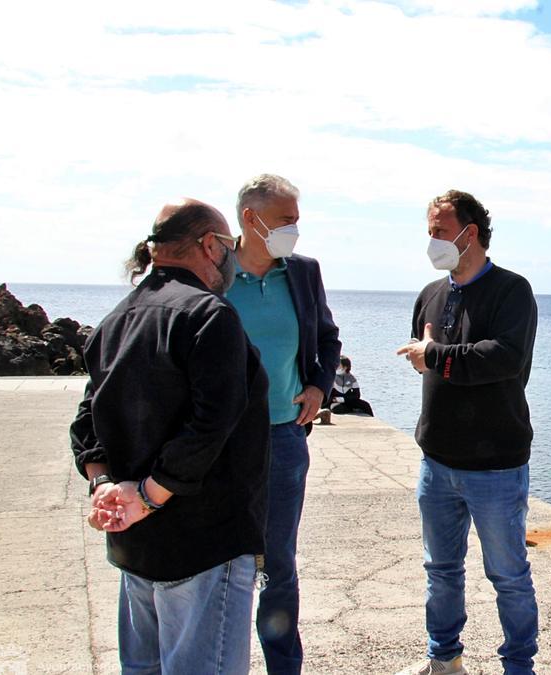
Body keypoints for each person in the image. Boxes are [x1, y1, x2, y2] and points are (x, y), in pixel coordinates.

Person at [70, 199, 270, 673]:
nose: (233, 259)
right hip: (203, 545)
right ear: (208, 245)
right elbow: (211, 423)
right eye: (230, 246)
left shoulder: (117, 318)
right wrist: (147, 496)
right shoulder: (208, 315)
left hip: (137, 548)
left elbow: (86, 420)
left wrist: (105, 488)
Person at [395, 190, 540, 675]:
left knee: (508, 576)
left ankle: (519, 667)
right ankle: (444, 659)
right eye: (430, 232)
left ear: (469, 232)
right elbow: (426, 359)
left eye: (438, 231)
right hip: (436, 462)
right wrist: (430, 357)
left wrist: (434, 355)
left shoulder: (511, 291)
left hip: (496, 465)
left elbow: (504, 358)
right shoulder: (431, 294)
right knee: (440, 571)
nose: (432, 241)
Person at [227, 174, 341, 675]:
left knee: (279, 566)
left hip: (284, 437)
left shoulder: (302, 272)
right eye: (286, 220)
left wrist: (318, 386)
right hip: (221, 443)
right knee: (220, 563)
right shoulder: (212, 272)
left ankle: (283, 667)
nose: (295, 230)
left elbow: (328, 338)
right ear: (251, 220)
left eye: (297, 220)